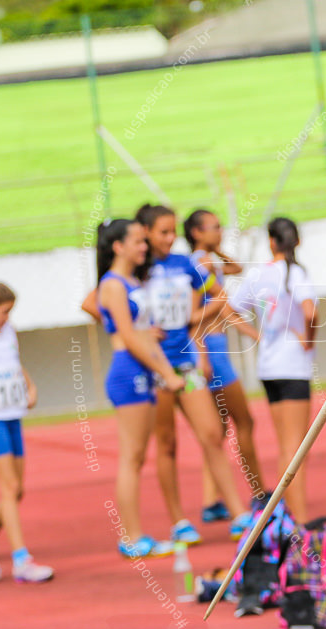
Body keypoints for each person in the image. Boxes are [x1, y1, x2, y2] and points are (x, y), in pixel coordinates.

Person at [82, 205, 253, 543]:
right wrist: (125, 332)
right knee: (166, 444)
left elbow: (212, 295)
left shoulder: (183, 264)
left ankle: (238, 513)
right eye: (162, 232)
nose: (170, 238)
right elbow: (92, 302)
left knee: (211, 435)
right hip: (151, 368)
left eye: (173, 231)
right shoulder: (134, 271)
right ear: (145, 234)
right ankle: (178, 521)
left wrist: (199, 340)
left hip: (185, 363)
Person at [95, 219, 185, 559]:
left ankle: (136, 535)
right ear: (117, 246)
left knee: (137, 456)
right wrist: (165, 371)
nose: (143, 246)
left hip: (144, 370)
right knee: (131, 458)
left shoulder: (132, 281)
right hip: (129, 372)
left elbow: (145, 332)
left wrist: (163, 368)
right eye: (136, 240)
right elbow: (131, 337)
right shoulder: (113, 285)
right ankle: (131, 537)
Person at [227, 217, 317, 524]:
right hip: (293, 365)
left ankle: (288, 518)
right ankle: (299, 523)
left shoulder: (259, 274)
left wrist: (258, 336)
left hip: (268, 366)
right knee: (296, 448)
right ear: (297, 242)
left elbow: (230, 309)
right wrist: (308, 340)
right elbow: (311, 311)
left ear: (271, 241)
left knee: (285, 447)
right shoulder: (297, 272)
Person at [184, 209, 265, 521]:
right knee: (244, 422)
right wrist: (254, 333)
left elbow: (236, 267)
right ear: (196, 232)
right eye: (214, 228)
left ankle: (210, 500)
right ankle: (258, 492)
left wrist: (213, 248)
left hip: (212, 347)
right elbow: (220, 306)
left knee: (216, 431)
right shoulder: (201, 265)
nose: (220, 232)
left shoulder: (206, 261)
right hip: (212, 350)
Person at [0, 283, 52, 583]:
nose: (7, 318)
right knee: (9, 486)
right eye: (3, 312)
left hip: (13, 414)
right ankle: (21, 560)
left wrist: (30, 384)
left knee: (17, 489)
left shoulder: (8, 331)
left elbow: (13, 362)